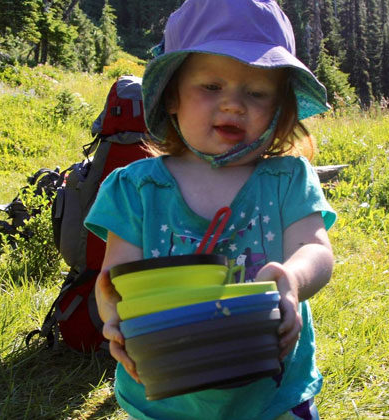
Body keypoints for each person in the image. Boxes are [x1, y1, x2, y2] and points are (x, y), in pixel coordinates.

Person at [83, 0, 337, 419]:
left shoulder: (288, 179)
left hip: (272, 393)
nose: (234, 104)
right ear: (171, 98)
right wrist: (113, 317)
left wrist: (292, 278)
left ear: (279, 109)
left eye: (256, 93)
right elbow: (114, 280)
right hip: (163, 391)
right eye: (211, 87)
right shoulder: (135, 188)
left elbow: (316, 248)